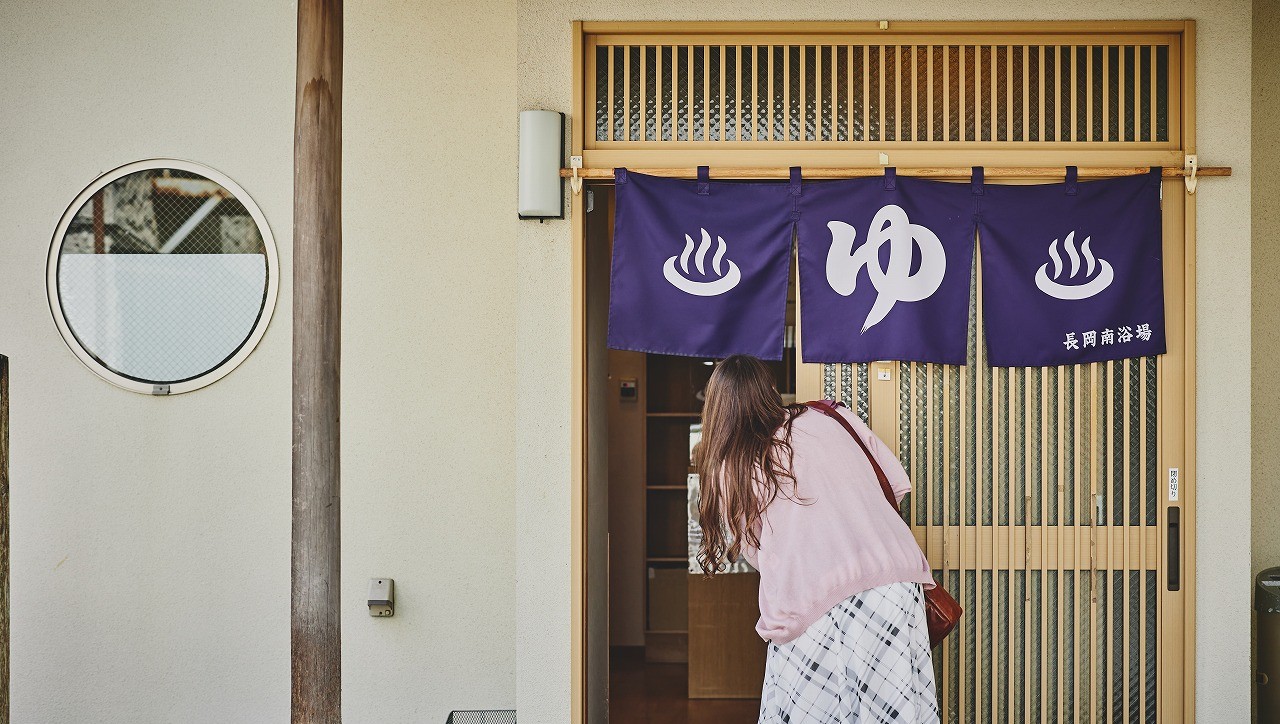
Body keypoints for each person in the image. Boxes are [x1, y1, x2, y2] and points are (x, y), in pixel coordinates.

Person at [695, 354, 940, 724]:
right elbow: (896, 486)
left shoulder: (733, 465)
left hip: (818, 602)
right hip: (896, 584)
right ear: (769, 390)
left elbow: (758, 552)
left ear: (717, 409)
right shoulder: (830, 417)